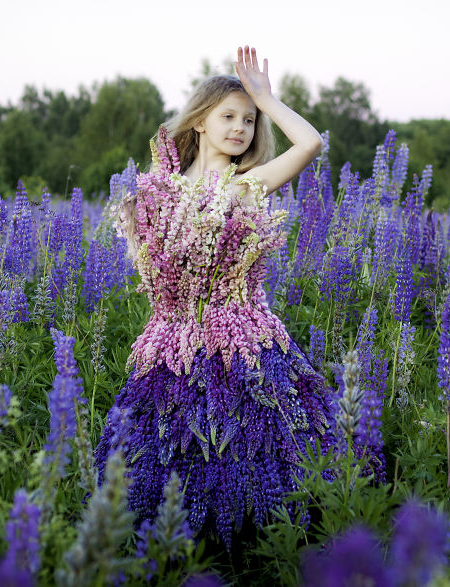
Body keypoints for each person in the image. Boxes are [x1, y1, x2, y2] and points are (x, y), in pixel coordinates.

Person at [96, 46, 339, 549]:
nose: (240, 128)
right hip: (174, 345)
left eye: (249, 121)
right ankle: (175, 553)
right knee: (162, 456)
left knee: (262, 451)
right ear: (199, 121)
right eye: (228, 115)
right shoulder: (151, 194)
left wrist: (266, 99)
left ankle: (260, 552)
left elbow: (311, 142)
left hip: (246, 338)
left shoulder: (245, 187)